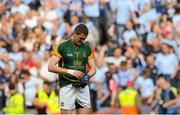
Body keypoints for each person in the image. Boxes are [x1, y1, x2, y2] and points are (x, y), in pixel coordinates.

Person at [48, 23, 96, 114]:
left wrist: (87, 76)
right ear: (74, 34)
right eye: (80, 38)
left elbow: (93, 68)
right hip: (67, 86)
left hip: (82, 86)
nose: (82, 41)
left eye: (84, 39)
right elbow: (51, 67)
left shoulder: (87, 48)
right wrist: (71, 71)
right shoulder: (62, 46)